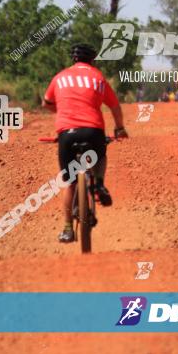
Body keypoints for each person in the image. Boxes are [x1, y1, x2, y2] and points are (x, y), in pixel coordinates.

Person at [42, 43, 128, 243]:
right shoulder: (98, 77)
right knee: (101, 153)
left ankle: (67, 230)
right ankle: (99, 184)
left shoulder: (60, 77)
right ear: (92, 60)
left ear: (73, 59)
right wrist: (119, 128)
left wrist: (63, 113)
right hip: (93, 131)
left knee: (70, 182)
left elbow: (46, 103)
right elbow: (115, 106)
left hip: (67, 133)